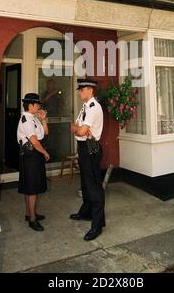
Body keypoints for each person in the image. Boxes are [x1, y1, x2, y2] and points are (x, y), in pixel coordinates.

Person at [70, 78, 105, 241]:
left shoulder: (93, 107)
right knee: (85, 183)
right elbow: (74, 127)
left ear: (91, 90)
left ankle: (97, 225)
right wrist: (78, 129)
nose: (79, 92)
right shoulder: (85, 107)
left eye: (82, 89)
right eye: (79, 89)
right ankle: (86, 213)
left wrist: (78, 129)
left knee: (94, 186)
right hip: (83, 148)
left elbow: (81, 130)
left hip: (91, 149)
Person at [17, 93, 50, 232]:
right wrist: (44, 152)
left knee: (32, 187)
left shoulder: (34, 118)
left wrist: (43, 119)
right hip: (31, 155)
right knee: (32, 189)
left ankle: (29, 213)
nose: (39, 106)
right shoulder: (26, 119)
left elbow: (45, 133)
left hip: (35, 155)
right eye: (37, 104)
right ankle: (32, 219)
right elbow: (35, 141)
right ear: (30, 105)